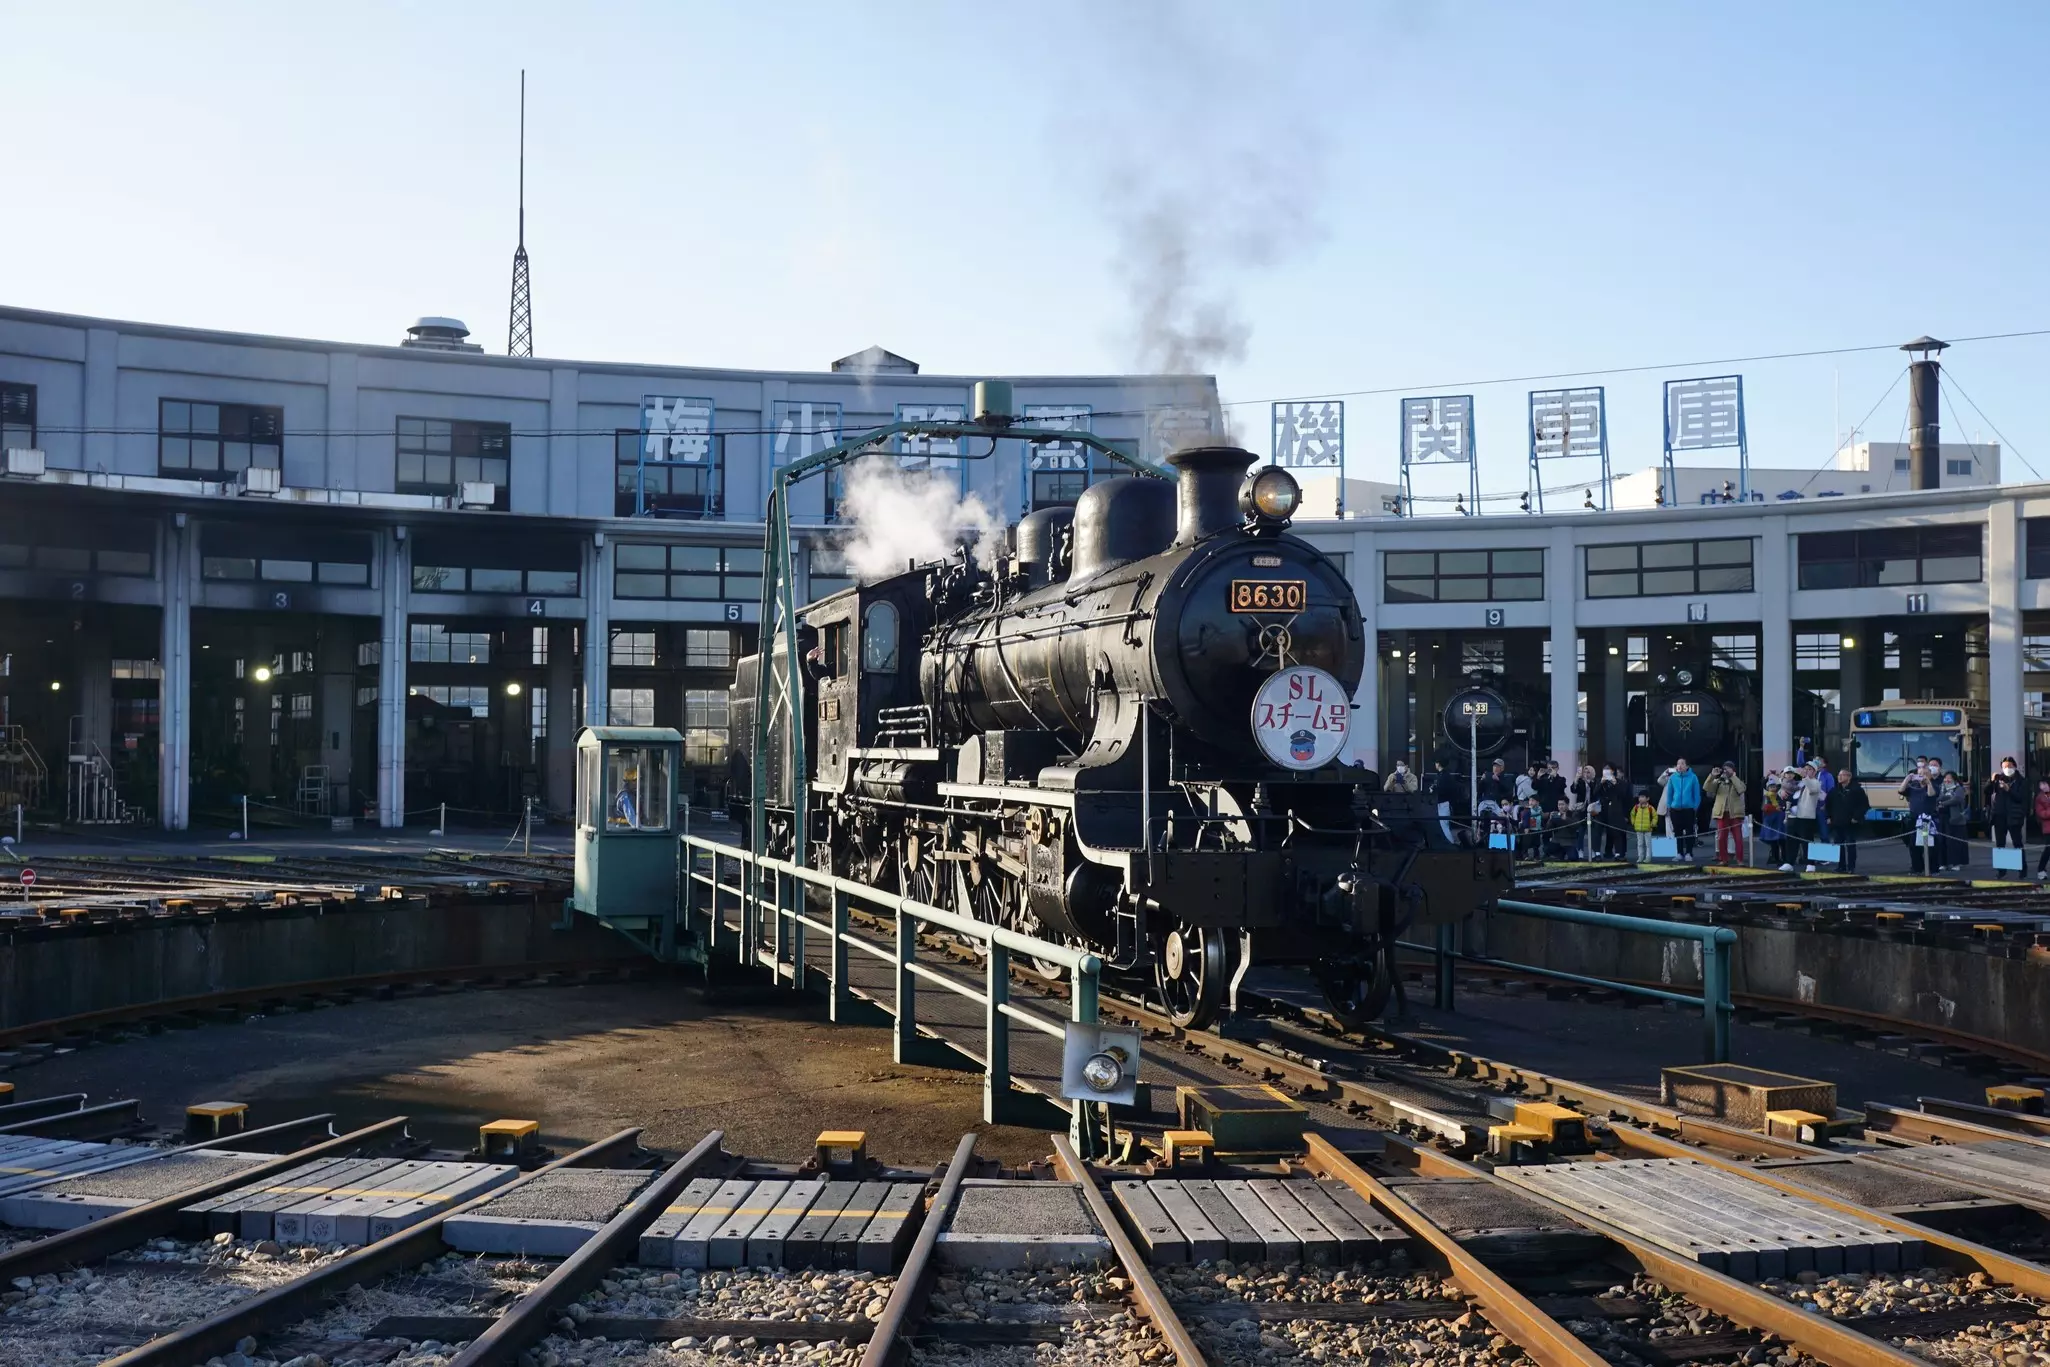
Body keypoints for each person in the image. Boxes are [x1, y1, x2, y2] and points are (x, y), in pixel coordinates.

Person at [1987, 757, 2027, 875]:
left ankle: (2022, 869)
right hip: (1999, 816)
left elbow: (2021, 798)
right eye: (2004, 766)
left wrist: (2009, 790)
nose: (2007, 768)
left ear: (2014, 766)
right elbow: (1987, 791)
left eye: (2009, 766)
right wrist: (1991, 781)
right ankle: (2002, 870)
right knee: (2000, 844)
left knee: (2017, 843)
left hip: (2014, 816)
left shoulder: (2021, 781)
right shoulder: (1999, 779)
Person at [1898, 760, 1938, 875]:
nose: (1922, 776)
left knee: (1930, 846)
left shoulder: (1934, 785)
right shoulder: (1913, 786)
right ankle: (1917, 868)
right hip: (1914, 819)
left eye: (1925, 773)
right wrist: (1907, 779)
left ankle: (1933, 869)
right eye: (1920, 773)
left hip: (1928, 819)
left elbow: (1931, 794)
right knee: (1914, 845)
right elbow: (1901, 791)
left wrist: (1928, 782)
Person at [1825, 769, 1868, 871]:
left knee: (1850, 844)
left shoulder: (1857, 790)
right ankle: (1841, 866)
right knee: (1838, 845)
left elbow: (1864, 805)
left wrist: (1856, 817)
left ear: (1849, 777)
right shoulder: (1834, 790)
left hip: (1850, 823)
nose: (1839, 777)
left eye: (1842, 775)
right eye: (1839, 775)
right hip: (1837, 822)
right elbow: (1828, 804)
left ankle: (1851, 867)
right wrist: (1828, 817)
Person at [1704, 763, 1747, 866]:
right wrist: (1712, 775)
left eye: (1728, 768)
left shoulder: (1737, 781)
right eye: (1725, 769)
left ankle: (1740, 860)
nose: (1726, 770)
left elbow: (1742, 789)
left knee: (1738, 838)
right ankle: (1723, 859)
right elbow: (1706, 787)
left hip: (1735, 813)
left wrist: (1732, 776)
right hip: (1722, 813)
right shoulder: (1719, 782)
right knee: (1722, 837)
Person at [1662, 757, 1703, 860]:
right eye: (1678, 764)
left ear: (1687, 766)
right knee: (1677, 832)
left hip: (1689, 809)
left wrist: (1695, 806)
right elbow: (1669, 793)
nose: (1679, 766)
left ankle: (1689, 853)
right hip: (1675, 809)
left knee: (1689, 832)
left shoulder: (1693, 777)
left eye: (1682, 763)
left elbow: (1697, 794)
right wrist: (1670, 805)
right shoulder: (1673, 778)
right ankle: (1679, 853)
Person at [1785, 764, 1823, 870]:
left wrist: (1805, 777)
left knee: (1807, 840)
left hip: (1806, 816)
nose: (1806, 771)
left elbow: (1813, 789)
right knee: (1791, 840)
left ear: (1814, 772)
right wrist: (1781, 791)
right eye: (1805, 769)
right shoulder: (1800, 783)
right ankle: (1789, 862)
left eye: (1809, 769)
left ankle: (1810, 863)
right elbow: (1788, 789)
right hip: (1793, 815)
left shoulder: (1816, 782)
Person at [1937, 770, 1970, 873]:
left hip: (1955, 819)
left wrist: (1943, 803)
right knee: (1942, 841)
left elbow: (1957, 799)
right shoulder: (1941, 788)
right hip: (1942, 818)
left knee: (1954, 842)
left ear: (1954, 779)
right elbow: (1938, 798)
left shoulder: (1959, 789)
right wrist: (1943, 799)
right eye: (1945, 778)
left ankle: (1956, 863)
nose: (1947, 780)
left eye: (1949, 778)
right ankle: (1943, 863)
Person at [1595, 764, 1629, 859]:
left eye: (1608, 770)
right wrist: (1601, 783)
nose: (1606, 772)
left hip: (1614, 810)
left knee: (1615, 831)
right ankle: (1597, 853)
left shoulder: (1620, 782)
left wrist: (1615, 783)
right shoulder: (1600, 781)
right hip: (1601, 810)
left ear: (1613, 771)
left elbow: (1623, 795)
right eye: (1604, 770)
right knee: (1597, 831)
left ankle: (1618, 853)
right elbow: (1595, 793)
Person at [1759, 787, 1786, 867]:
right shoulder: (1767, 796)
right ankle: (1776, 858)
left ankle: (1784, 859)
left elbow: (1783, 805)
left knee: (1782, 840)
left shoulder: (1779, 795)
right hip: (1772, 821)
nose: (1773, 788)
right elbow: (1764, 808)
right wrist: (1775, 808)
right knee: (1775, 840)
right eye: (1771, 786)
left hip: (1779, 820)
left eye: (1774, 786)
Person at [1629, 791, 1658, 862]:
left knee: (1648, 844)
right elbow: (1632, 815)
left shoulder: (1650, 808)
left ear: (1647, 798)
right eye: (1639, 797)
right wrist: (1633, 823)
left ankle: (1648, 857)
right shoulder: (1636, 807)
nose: (1640, 799)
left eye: (1642, 797)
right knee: (1640, 844)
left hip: (1648, 829)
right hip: (1638, 829)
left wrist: (1653, 824)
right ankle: (1640, 857)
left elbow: (1655, 816)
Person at [2033, 778, 2050, 879]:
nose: (2042, 786)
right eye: (2040, 784)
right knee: (2048, 849)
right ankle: (2041, 869)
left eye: (2044, 783)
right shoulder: (2040, 798)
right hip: (2048, 828)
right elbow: (2041, 814)